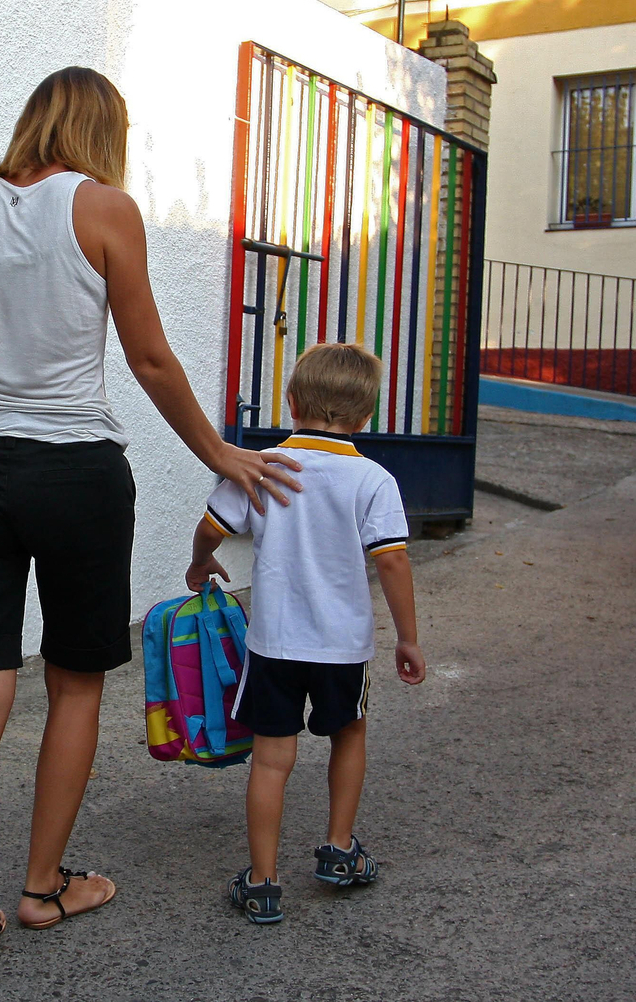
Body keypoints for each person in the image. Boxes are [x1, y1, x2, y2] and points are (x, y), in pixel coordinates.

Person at [0, 66, 302, 974]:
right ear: (103, 132)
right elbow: (149, 357)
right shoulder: (105, 208)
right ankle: (41, 886)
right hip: (75, 474)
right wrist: (218, 453)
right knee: (75, 685)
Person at [185, 342, 427, 925]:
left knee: (272, 759)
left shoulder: (261, 466)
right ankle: (339, 850)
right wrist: (408, 637)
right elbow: (392, 560)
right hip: (342, 646)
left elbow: (211, 527)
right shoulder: (373, 479)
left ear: (292, 401)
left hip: (275, 642)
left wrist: (199, 563)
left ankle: (262, 883)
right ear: (365, 416)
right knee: (349, 733)